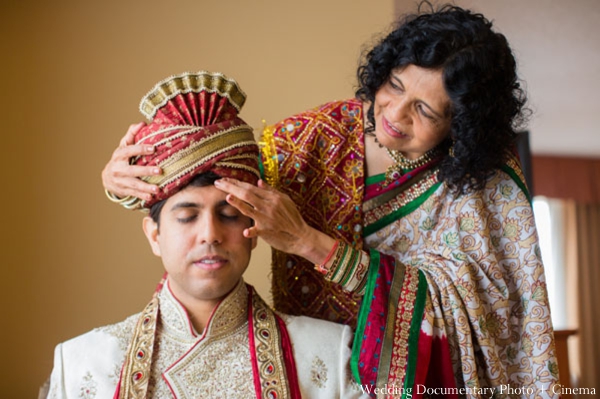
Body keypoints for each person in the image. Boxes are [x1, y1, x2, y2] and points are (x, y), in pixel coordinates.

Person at [102, 4, 560, 396]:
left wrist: (308, 242)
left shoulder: (485, 180)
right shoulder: (317, 138)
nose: (395, 115)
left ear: (461, 126)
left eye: (424, 110)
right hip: (314, 372)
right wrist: (124, 178)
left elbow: (496, 324)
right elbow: (208, 177)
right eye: (395, 87)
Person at [47, 71, 366, 399]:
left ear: (254, 232)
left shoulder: (326, 354)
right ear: (154, 235)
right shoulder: (83, 365)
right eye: (187, 217)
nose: (210, 234)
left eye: (228, 214)